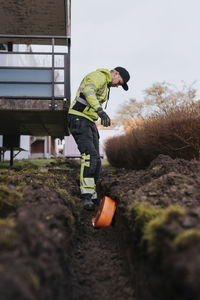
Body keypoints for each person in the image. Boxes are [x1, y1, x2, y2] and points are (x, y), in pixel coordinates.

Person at [68, 67, 130, 210]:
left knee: (97, 159)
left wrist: (98, 115)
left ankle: (93, 195)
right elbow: (88, 92)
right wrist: (100, 110)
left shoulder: (105, 84)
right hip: (79, 118)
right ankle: (86, 197)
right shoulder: (98, 76)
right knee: (89, 156)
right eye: (119, 82)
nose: (117, 86)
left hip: (89, 121)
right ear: (115, 73)